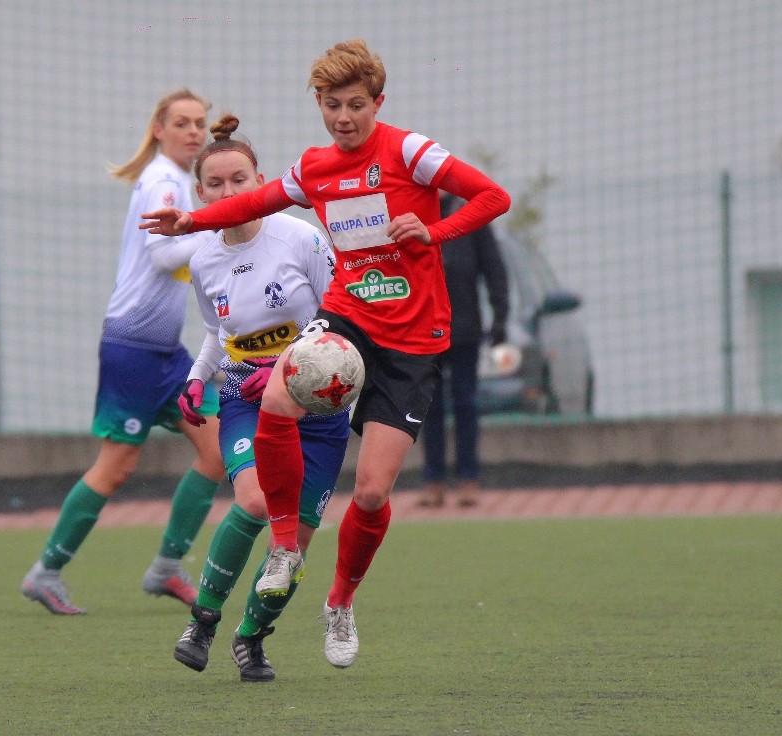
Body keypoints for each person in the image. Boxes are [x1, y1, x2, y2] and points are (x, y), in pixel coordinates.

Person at [140, 39, 510, 667]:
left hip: (413, 341)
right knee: (277, 395)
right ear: (319, 104)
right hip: (347, 315)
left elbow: (493, 197)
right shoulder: (314, 168)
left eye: (356, 105)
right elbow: (255, 202)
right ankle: (284, 546)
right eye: (332, 105)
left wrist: (433, 231)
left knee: (370, 493)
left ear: (377, 103)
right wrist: (191, 223)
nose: (344, 117)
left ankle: (339, 603)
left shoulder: (410, 152)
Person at [21, 88, 226, 615]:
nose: (194, 132)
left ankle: (167, 567)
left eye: (199, 123)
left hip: (165, 353)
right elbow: (163, 257)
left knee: (217, 451)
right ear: (159, 129)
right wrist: (218, 228)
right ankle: (46, 572)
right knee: (116, 466)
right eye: (182, 123)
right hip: (132, 346)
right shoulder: (163, 180)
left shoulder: (179, 181)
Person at [170, 113, 349, 681]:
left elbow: (341, 316)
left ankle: (251, 638)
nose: (229, 191)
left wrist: (283, 367)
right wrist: (198, 376)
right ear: (201, 195)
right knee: (253, 502)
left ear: (261, 182)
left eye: (239, 180)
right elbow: (217, 333)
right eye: (216, 184)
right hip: (245, 400)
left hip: (318, 407)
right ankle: (202, 620)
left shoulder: (301, 238)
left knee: (293, 543)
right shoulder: (203, 259)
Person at [418, 193, 509, 508]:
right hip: (425, 330)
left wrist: (500, 316)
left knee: (466, 403)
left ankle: (469, 478)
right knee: (428, 407)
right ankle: (433, 480)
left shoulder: (471, 216)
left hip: (465, 329)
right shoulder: (413, 212)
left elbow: (494, 269)